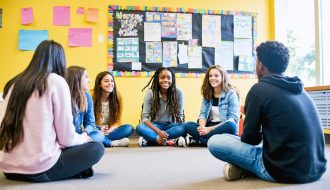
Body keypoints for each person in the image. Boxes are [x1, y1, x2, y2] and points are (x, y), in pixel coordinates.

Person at [208, 41, 327, 183]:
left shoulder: (259, 90)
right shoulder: (300, 90)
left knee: (214, 141)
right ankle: (244, 167)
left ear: (261, 65)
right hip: (316, 169)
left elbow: (250, 139)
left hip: (281, 171)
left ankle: (245, 166)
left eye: (256, 61)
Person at [0, 40, 104, 182]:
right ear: (60, 61)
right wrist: (83, 138)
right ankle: (72, 170)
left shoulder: (14, 83)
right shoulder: (56, 81)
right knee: (96, 148)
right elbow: (66, 138)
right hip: (38, 168)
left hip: (8, 168)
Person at [184, 65, 240, 146]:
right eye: (210, 76)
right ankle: (211, 141)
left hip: (223, 127)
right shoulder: (207, 93)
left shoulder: (231, 94)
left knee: (231, 126)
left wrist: (209, 129)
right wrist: (202, 127)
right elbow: (203, 114)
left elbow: (232, 119)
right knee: (188, 125)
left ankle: (200, 141)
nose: (212, 78)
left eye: (216, 75)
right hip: (209, 126)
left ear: (223, 77)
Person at [136, 67, 187, 147]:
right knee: (140, 127)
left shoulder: (178, 92)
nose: (166, 80)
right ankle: (167, 140)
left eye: (168, 78)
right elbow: (145, 118)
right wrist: (159, 132)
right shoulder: (150, 93)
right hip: (155, 126)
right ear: (157, 79)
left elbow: (180, 116)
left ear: (172, 79)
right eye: (162, 77)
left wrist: (181, 125)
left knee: (185, 126)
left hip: (171, 126)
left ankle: (153, 140)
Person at [66, 66, 111, 147]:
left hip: (81, 134)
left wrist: (85, 133)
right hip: (66, 135)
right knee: (98, 144)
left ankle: (78, 143)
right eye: (86, 77)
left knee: (99, 135)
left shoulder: (87, 96)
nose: (89, 80)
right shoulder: (63, 96)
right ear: (77, 79)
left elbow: (90, 123)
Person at [92, 71, 133, 147]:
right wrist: (100, 128)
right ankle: (111, 142)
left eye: (112, 81)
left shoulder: (118, 97)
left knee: (129, 128)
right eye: (106, 81)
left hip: (110, 131)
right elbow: (87, 121)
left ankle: (100, 140)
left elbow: (118, 121)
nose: (110, 83)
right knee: (87, 133)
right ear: (99, 84)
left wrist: (109, 130)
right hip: (96, 129)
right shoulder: (91, 96)